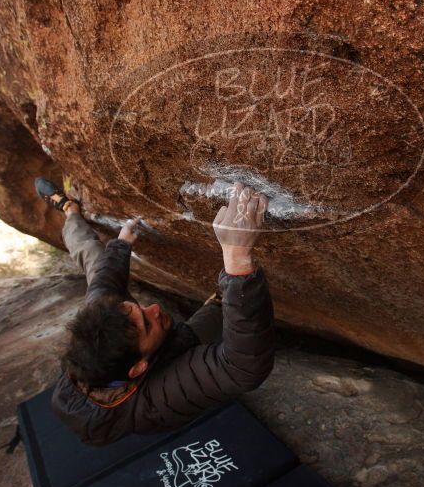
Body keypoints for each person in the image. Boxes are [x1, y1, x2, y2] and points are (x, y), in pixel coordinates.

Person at [34, 177, 274, 445]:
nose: (155, 308)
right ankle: (224, 298)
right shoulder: (158, 401)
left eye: (137, 308)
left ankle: (70, 212)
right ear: (138, 368)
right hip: (161, 381)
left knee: (93, 256)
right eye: (146, 324)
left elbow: (103, 281)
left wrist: (121, 244)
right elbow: (243, 368)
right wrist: (237, 259)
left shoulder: (100, 325)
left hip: (143, 357)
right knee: (201, 328)